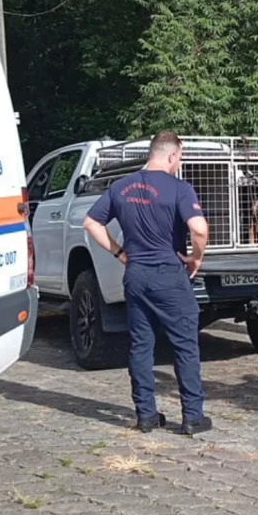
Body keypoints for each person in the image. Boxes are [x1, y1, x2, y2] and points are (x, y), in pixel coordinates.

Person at [82, 131, 212, 435]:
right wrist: (196, 258)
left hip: (136, 275)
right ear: (171, 155)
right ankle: (193, 417)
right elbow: (199, 229)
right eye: (180, 158)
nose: (179, 163)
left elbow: (90, 222)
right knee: (185, 345)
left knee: (141, 345)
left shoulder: (121, 186)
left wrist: (119, 253)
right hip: (169, 274)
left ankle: (146, 415)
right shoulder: (180, 189)